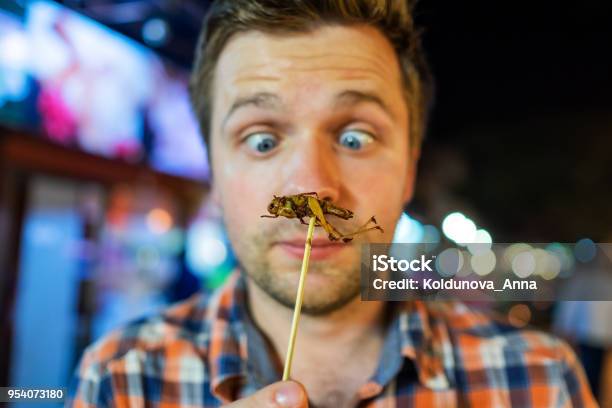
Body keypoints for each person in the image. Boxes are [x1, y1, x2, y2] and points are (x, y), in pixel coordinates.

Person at [67, 1, 597, 407]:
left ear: (409, 168)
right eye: (262, 140)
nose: (312, 190)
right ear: (213, 171)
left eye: (354, 137)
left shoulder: (537, 378)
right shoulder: (124, 376)